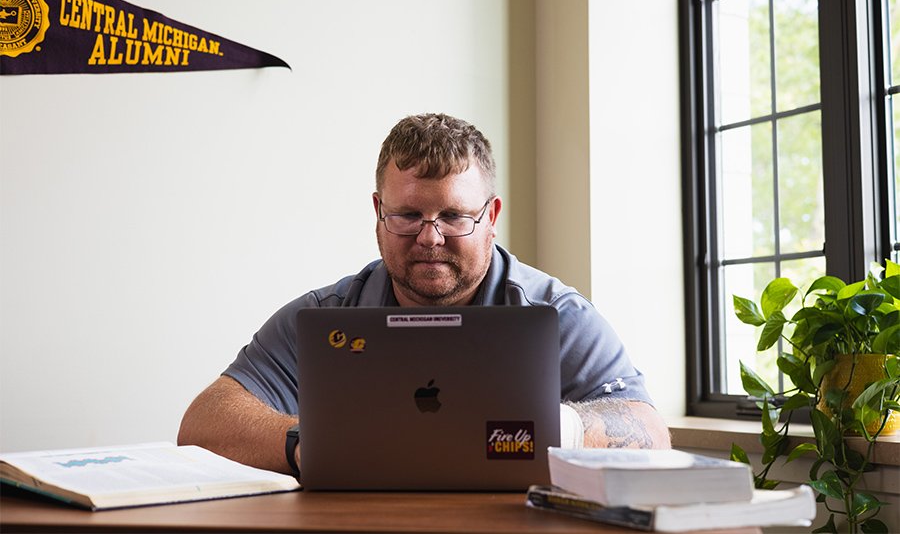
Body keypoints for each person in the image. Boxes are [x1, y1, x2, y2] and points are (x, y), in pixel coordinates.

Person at [178, 113, 671, 476]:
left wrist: (556, 428)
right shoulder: (326, 317)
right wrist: (307, 443)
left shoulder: (554, 313)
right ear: (378, 211)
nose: (430, 237)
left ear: (491, 217)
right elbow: (202, 424)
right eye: (408, 216)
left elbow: (650, 435)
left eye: (455, 216)